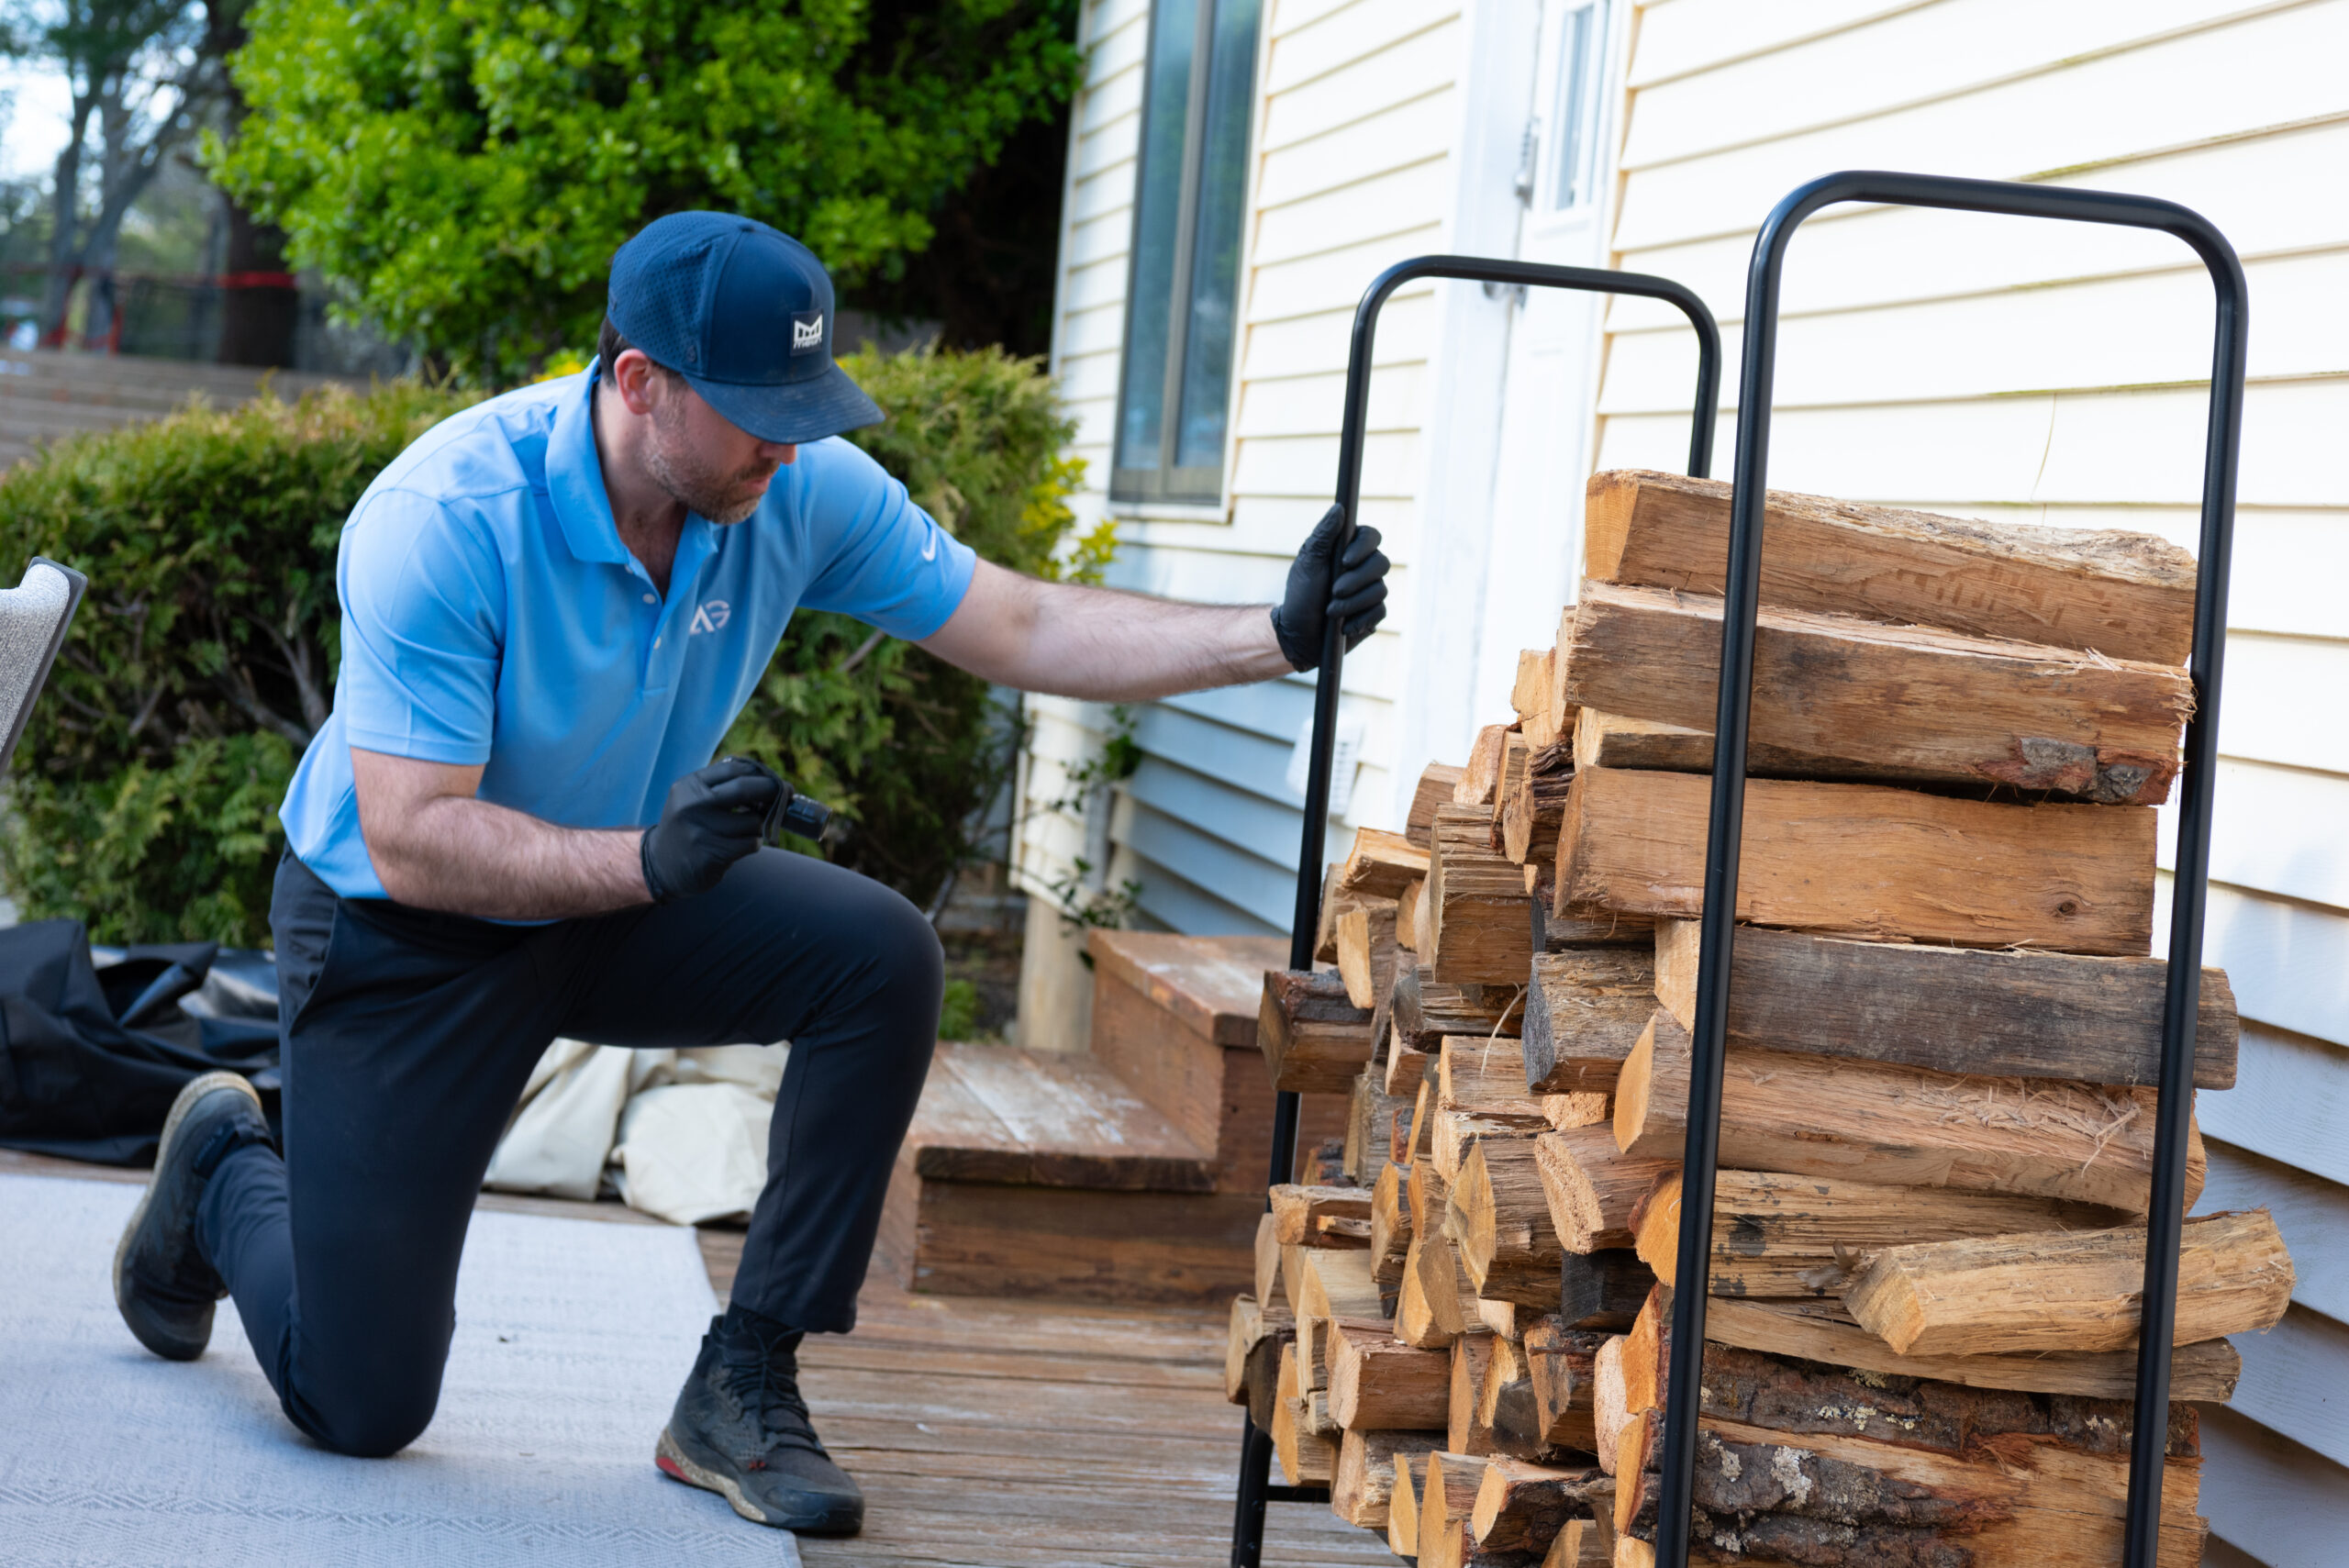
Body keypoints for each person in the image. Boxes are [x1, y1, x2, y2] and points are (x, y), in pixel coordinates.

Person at [109, 211, 1388, 1537]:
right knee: (359, 1402)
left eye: (803, 401)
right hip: (405, 931)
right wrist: (650, 857)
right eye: (755, 408)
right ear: (639, 384)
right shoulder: (445, 517)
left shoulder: (789, 489)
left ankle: (743, 1376)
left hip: (619, 891)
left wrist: (1275, 634)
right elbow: (412, 832)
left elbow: (1019, 616)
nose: (787, 438)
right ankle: (217, 1175)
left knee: (879, 958)